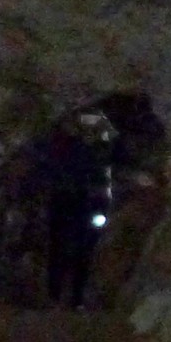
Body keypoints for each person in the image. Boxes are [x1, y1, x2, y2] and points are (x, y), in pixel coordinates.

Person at [45, 109, 116, 309]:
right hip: (67, 203)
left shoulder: (101, 151)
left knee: (83, 251)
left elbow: (105, 178)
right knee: (62, 248)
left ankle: (74, 297)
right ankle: (57, 295)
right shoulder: (66, 148)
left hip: (87, 205)